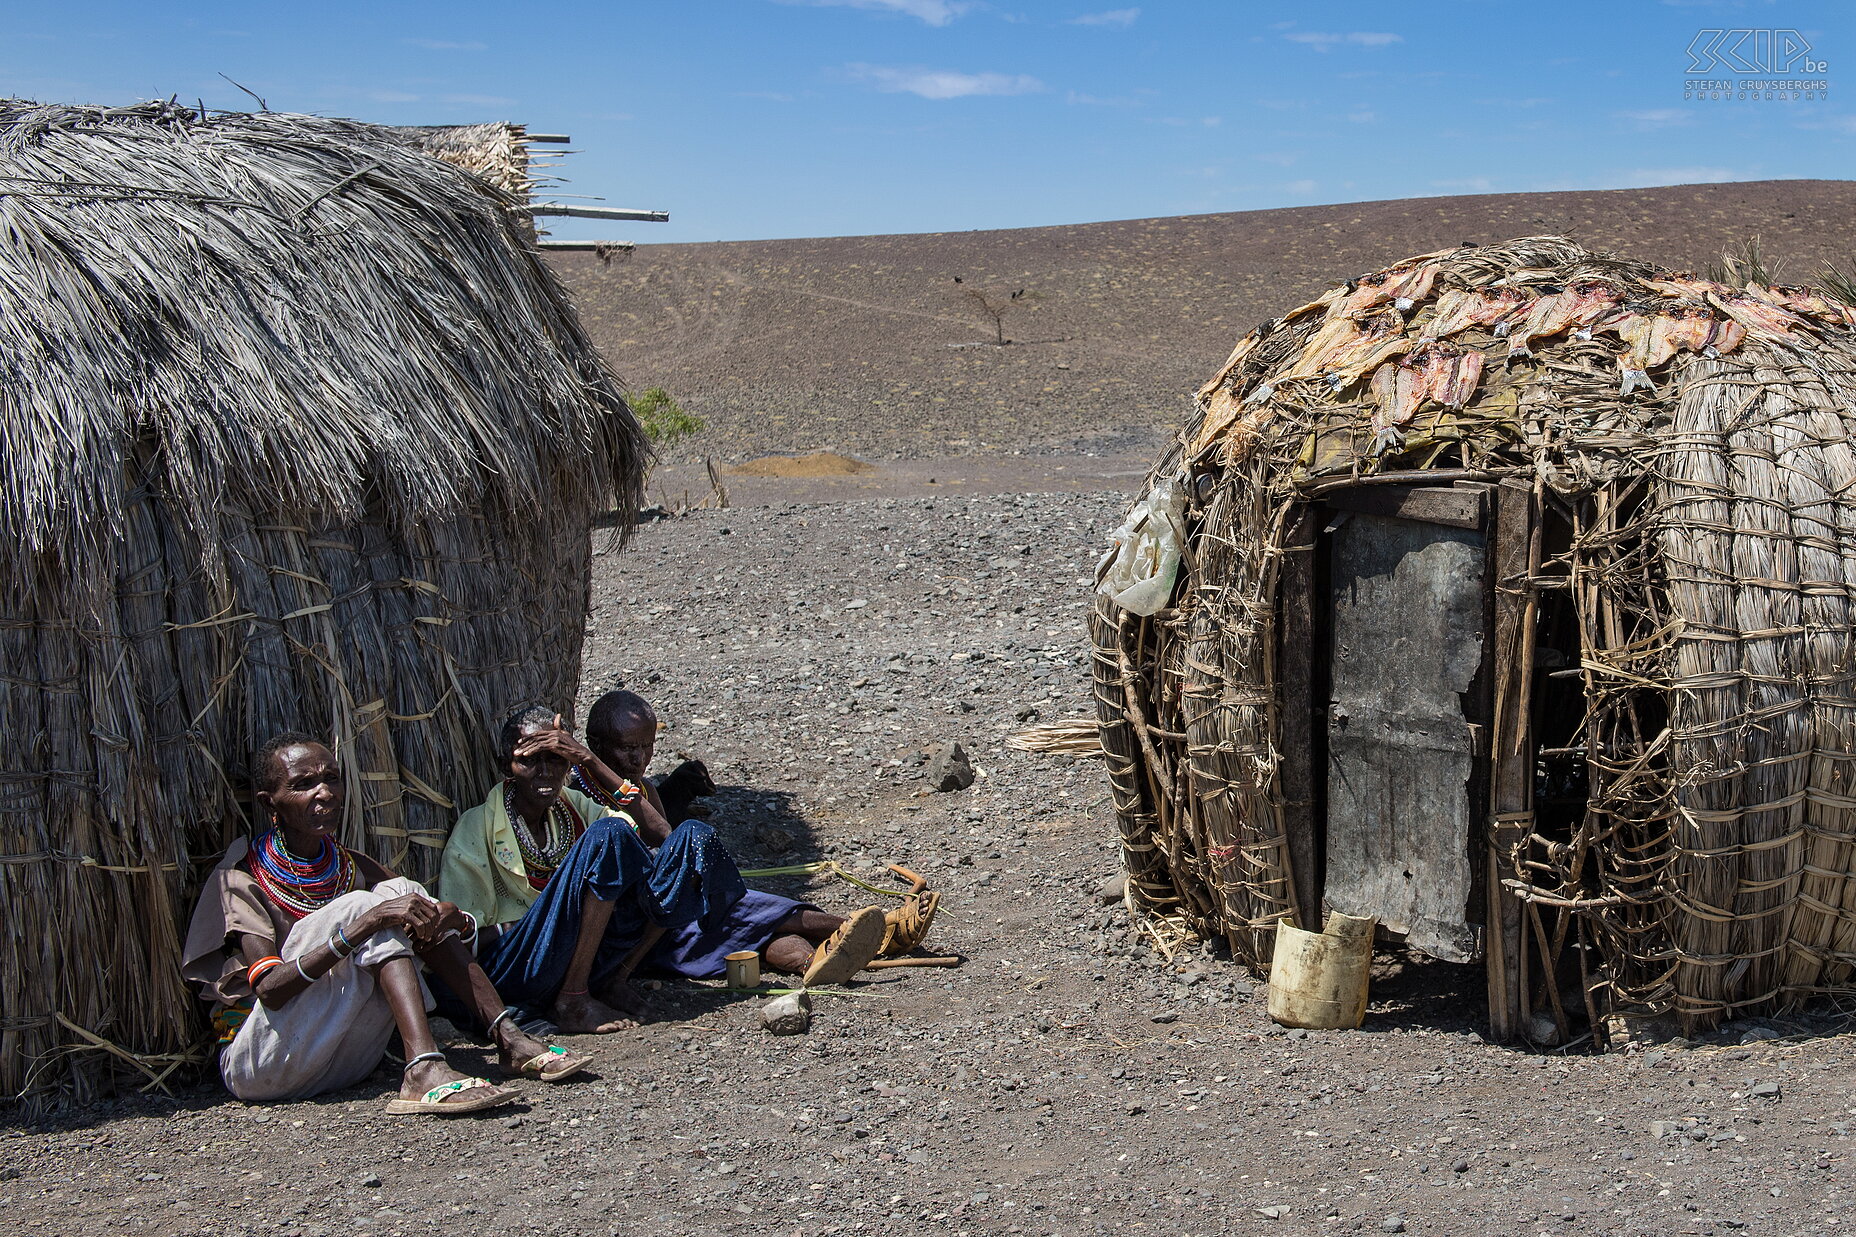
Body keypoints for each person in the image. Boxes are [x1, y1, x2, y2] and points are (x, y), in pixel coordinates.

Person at [181, 733, 590, 1114]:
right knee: (368, 906)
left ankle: (508, 1039)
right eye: (303, 784)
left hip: (343, 1059)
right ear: (271, 804)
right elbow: (270, 992)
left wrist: (454, 918)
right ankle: (423, 1067)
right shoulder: (241, 880)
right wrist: (363, 923)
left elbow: (416, 912)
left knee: (400, 893)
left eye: (331, 779)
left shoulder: (350, 865)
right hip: (266, 1064)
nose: (324, 793)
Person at [440, 705, 885, 1035]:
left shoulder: (572, 808)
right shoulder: (477, 828)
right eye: (528, 759)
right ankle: (572, 1001)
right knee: (612, 840)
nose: (544, 772)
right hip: (527, 961)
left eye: (555, 760)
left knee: (694, 837)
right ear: (506, 766)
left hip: (593, 953)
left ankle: (614, 981)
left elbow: (662, 836)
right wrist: (554, 920)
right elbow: (467, 938)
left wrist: (586, 760)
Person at [578, 689, 880, 980]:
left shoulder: (645, 789)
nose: (640, 758)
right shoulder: (578, 795)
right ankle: (874, 931)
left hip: (670, 913)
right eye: (629, 748)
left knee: (757, 933)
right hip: (632, 927)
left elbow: (667, 847)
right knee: (747, 912)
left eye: (647, 746)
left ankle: (815, 963)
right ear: (595, 745)